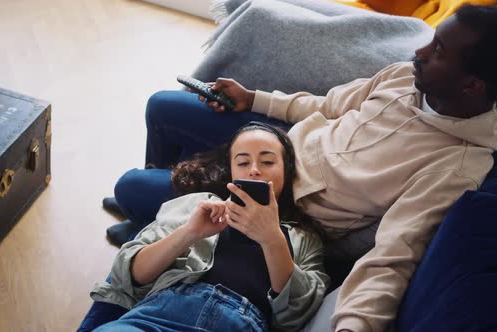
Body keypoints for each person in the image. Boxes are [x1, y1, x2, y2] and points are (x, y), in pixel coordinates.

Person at [104, 5, 497, 332]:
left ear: (472, 84)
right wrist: (252, 98)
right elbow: (326, 105)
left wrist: (354, 326)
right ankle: (154, 219)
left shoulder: (455, 164)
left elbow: (394, 256)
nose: (419, 52)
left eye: (438, 51)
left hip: (288, 209)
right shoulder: (408, 77)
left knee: (132, 188)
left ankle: (149, 214)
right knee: (162, 106)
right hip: (278, 149)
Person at [89, 122, 330, 331]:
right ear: (232, 171)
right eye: (243, 162)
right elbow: (128, 276)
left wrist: (272, 239)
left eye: (267, 161)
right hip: (160, 313)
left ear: (286, 170)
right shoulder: (198, 205)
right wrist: (190, 233)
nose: (254, 169)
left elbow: (297, 315)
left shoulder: (305, 237)